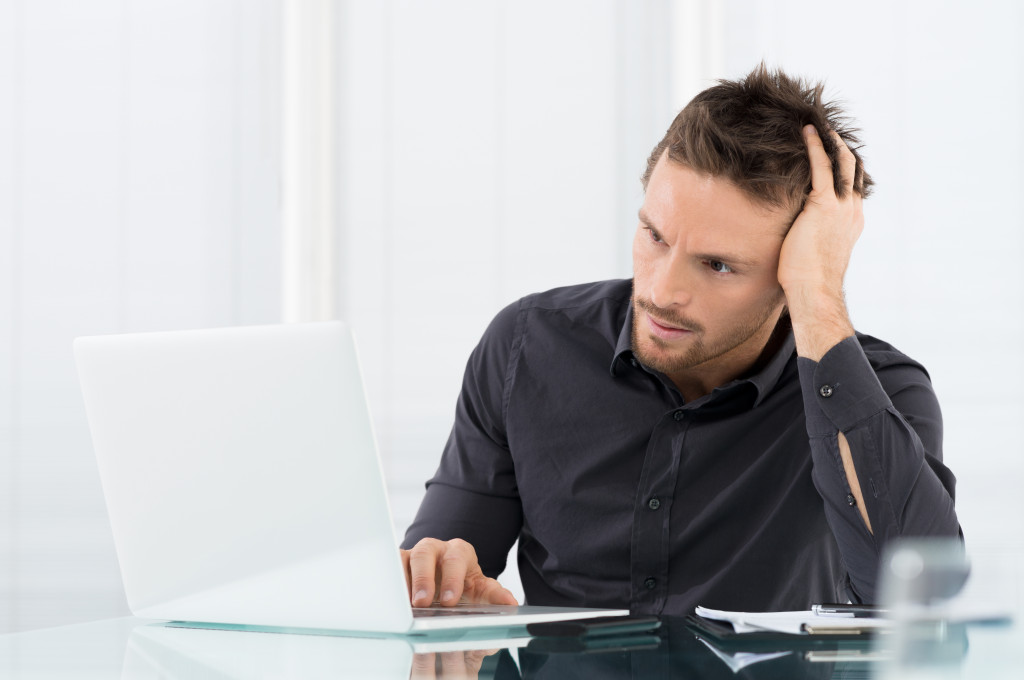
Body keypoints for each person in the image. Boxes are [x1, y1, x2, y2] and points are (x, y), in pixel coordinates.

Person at [399, 64, 960, 615]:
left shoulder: (883, 395)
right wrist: (438, 580)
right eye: (654, 235)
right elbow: (441, 570)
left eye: (717, 265)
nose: (663, 292)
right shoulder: (528, 345)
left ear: (792, 269)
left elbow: (914, 597)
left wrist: (817, 296)